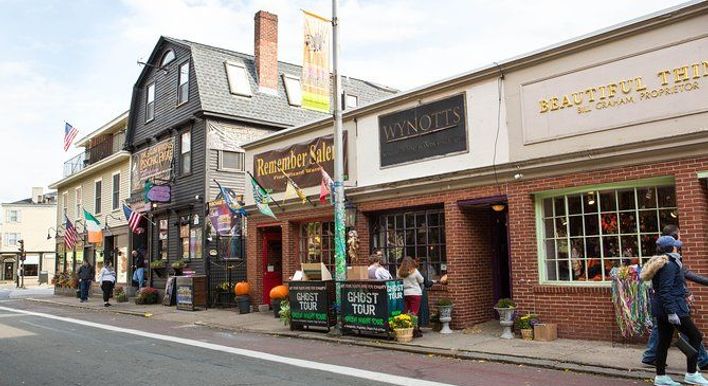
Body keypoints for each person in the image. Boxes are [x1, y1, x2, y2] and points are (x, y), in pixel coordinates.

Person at [642, 235, 708, 386]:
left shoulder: (663, 262)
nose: (678, 247)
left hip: (662, 309)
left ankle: (660, 377)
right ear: (671, 248)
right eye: (676, 245)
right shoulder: (670, 265)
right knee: (696, 336)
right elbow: (665, 291)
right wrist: (672, 312)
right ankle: (692, 373)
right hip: (674, 308)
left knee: (663, 342)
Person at [398, 256, 424, 337]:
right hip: (415, 293)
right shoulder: (415, 271)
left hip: (405, 293)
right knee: (414, 313)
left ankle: (407, 329)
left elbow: (398, 280)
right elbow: (421, 280)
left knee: (406, 312)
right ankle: (415, 331)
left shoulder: (400, 272)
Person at [416, 258, 435, 328]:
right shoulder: (420, 273)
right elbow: (426, 283)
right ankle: (420, 325)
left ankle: (416, 326)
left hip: (411, 293)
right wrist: (432, 282)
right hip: (420, 291)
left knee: (415, 310)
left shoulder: (409, 272)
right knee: (422, 310)